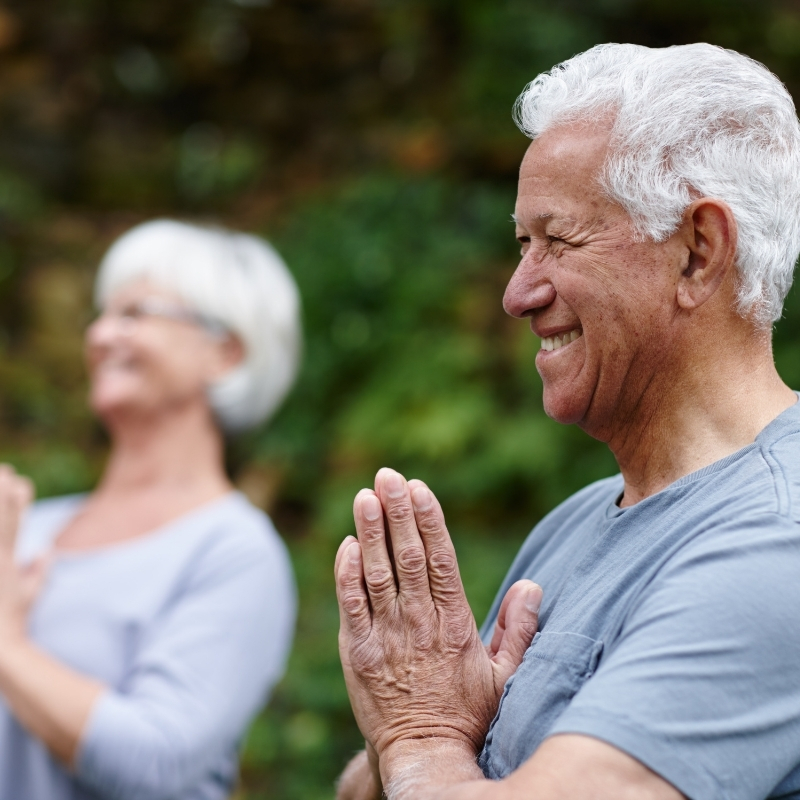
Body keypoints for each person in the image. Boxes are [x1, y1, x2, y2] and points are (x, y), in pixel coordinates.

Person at [334, 43, 800, 800]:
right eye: (523, 244)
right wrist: (427, 733)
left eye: (559, 238)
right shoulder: (575, 522)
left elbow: (425, 752)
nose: (518, 294)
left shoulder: (779, 540)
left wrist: (419, 735)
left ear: (698, 252)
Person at [0, 219, 301, 800]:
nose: (100, 335)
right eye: (102, 314)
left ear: (225, 352)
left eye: (134, 313)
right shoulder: (25, 529)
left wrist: (6, 644)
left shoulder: (236, 552)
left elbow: (155, 763)